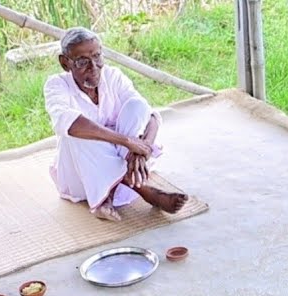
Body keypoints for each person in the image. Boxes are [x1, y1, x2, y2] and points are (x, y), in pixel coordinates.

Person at [43, 27, 188, 221]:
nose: (93, 67)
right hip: (82, 176)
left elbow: (150, 116)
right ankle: (143, 190)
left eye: (97, 57)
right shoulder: (56, 85)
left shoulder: (113, 76)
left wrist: (141, 149)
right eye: (82, 61)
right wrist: (128, 141)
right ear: (65, 63)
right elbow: (67, 122)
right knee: (77, 132)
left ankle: (114, 191)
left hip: (129, 162)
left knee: (136, 106)